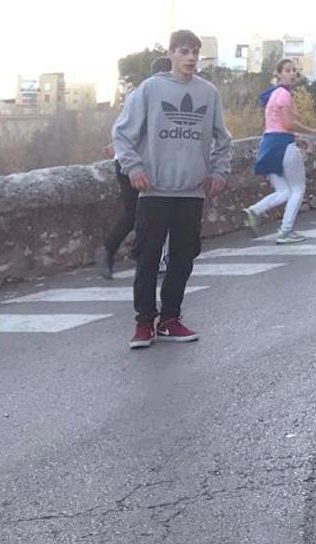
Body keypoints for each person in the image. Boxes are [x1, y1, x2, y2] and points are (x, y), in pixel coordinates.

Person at [111, 30, 232, 348]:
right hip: (155, 190)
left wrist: (219, 170)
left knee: (183, 257)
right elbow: (122, 133)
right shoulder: (151, 89)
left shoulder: (208, 92)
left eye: (195, 51)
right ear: (171, 54)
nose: (190, 57)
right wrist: (134, 167)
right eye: (184, 51)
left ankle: (170, 319)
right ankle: (143, 323)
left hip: (191, 191)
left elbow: (224, 137)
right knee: (148, 258)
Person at [97, 56, 172, 279]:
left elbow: (125, 126)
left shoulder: (138, 93)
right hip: (138, 161)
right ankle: (140, 254)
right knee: (155, 209)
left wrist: (117, 145)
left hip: (124, 160)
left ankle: (117, 251)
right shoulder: (160, 95)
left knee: (136, 212)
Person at [244, 59, 316, 244]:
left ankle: (254, 211)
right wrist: (313, 132)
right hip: (283, 146)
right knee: (298, 188)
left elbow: (276, 126)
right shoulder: (283, 95)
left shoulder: (272, 95)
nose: (291, 74)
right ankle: (286, 230)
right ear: (278, 73)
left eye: (294, 71)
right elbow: (287, 124)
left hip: (268, 145)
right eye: (287, 70)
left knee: (284, 191)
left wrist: (297, 137)